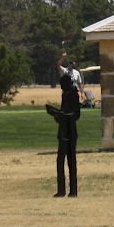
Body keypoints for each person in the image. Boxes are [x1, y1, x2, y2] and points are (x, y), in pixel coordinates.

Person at [45, 69, 81, 198]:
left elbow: (76, 115)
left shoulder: (73, 94)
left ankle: (73, 191)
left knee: (71, 161)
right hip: (63, 131)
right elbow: (63, 112)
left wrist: (64, 116)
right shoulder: (65, 94)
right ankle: (61, 190)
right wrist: (56, 114)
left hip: (70, 131)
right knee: (60, 161)